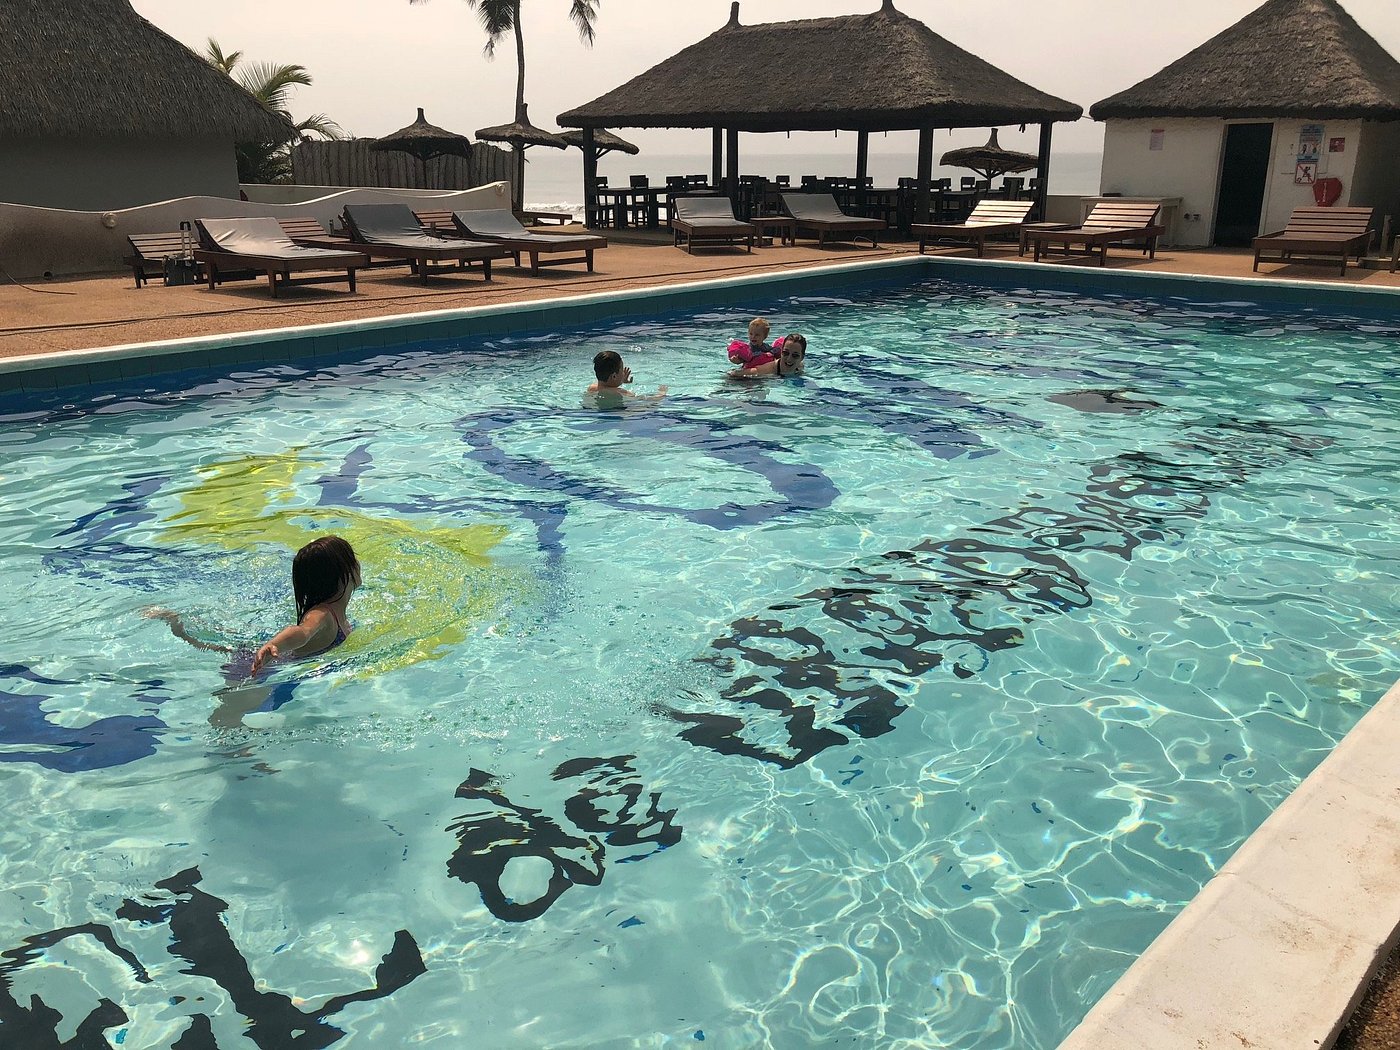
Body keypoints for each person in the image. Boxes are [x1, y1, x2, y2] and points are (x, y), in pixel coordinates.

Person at [249, 536, 361, 675]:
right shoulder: (323, 614)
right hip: (262, 667)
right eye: (353, 558)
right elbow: (303, 632)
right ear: (345, 570)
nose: (358, 562)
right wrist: (274, 645)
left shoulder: (336, 612)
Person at [585, 350, 667, 407]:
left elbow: (608, 387)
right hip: (619, 413)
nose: (623, 373)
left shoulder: (591, 388)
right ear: (614, 376)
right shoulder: (623, 393)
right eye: (622, 371)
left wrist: (620, 381)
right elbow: (649, 401)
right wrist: (661, 393)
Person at [729, 332, 807, 379]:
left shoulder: (800, 366)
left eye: (795, 355)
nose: (789, 359)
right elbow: (734, 374)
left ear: (802, 357)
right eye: (785, 353)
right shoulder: (767, 370)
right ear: (781, 352)